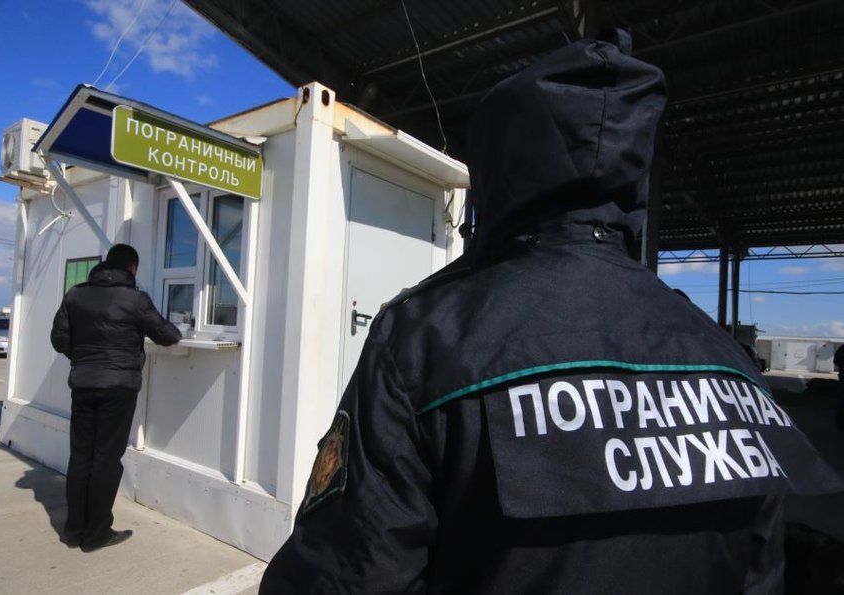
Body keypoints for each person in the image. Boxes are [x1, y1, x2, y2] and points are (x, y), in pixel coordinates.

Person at [259, 32, 843, 593]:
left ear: (499, 172)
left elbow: (346, 574)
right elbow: (760, 571)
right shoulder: (724, 358)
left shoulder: (425, 340)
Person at [51, 243, 181, 552]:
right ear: (132, 267)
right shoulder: (135, 299)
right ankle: (96, 534)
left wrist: (84, 359)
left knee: (81, 456)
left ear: (106, 264)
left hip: (83, 384)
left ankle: (74, 530)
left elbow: (59, 339)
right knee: (106, 459)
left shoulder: (75, 295)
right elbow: (168, 335)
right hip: (119, 387)